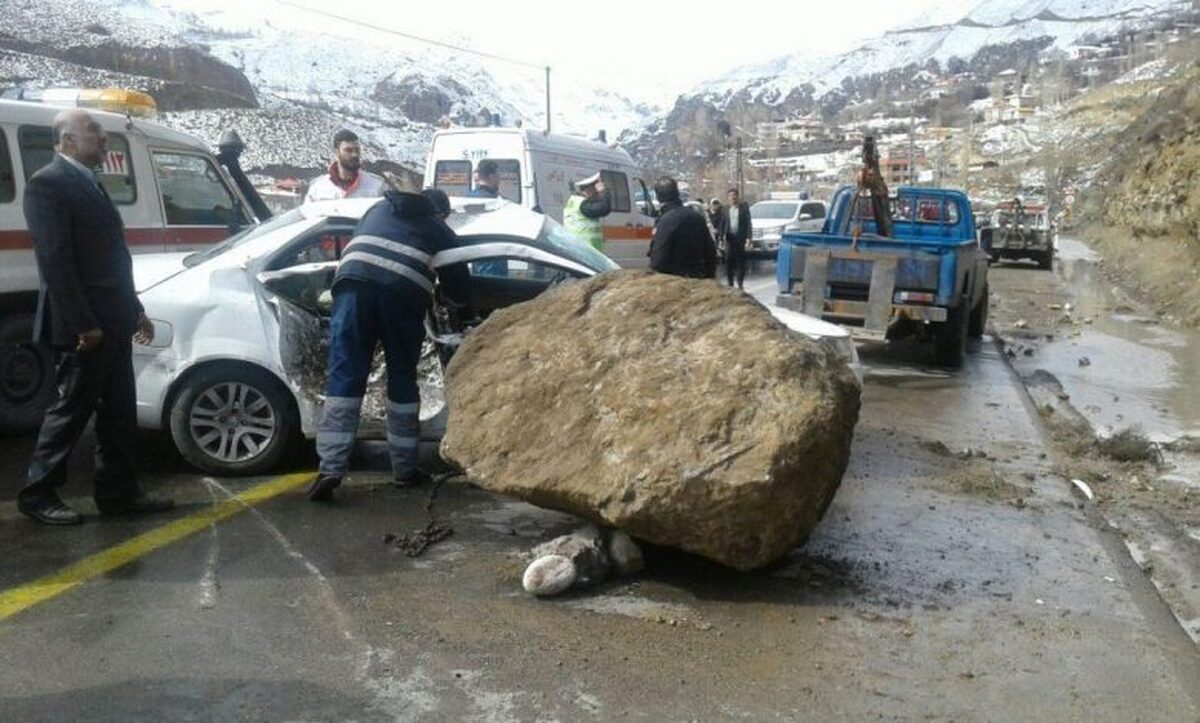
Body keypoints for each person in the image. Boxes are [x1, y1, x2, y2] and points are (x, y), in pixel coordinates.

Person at [19, 108, 174, 525]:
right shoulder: (48, 185)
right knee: (70, 410)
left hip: (113, 321)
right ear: (67, 140)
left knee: (119, 414)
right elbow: (56, 262)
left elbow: (112, 260)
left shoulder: (92, 185)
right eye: (94, 132)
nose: (103, 139)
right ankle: (38, 493)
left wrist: (135, 310)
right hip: (84, 328)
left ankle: (118, 493)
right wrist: (83, 324)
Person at [308, 188, 470, 502]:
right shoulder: (437, 226)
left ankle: (330, 468)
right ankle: (405, 471)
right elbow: (458, 285)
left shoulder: (378, 208)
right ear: (440, 212)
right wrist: (454, 302)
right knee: (401, 380)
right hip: (400, 298)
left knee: (345, 376)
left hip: (352, 288)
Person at [648, 176, 717, 279]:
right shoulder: (696, 217)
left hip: (673, 284)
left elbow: (658, 260)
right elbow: (710, 253)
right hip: (698, 281)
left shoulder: (665, 221)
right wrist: (709, 278)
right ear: (677, 193)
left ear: (658, 198)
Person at [304, 129, 387, 204]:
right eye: (348, 150)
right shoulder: (318, 189)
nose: (354, 154)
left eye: (357, 150)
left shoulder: (376, 185)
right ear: (336, 152)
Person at [562, 172, 611, 251]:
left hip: (578, 248)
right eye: (595, 190)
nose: (596, 193)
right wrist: (603, 192)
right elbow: (604, 209)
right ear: (589, 190)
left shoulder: (575, 201)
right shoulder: (583, 205)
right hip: (584, 250)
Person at [720, 188, 752, 289]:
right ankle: (730, 283)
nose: (733, 198)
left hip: (740, 238)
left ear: (738, 197)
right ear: (728, 198)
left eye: (734, 195)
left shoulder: (744, 209)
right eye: (731, 196)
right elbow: (722, 224)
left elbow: (748, 224)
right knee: (729, 261)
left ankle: (740, 282)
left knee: (740, 262)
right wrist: (721, 238)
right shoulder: (725, 209)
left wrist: (748, 238)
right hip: (730, 238)